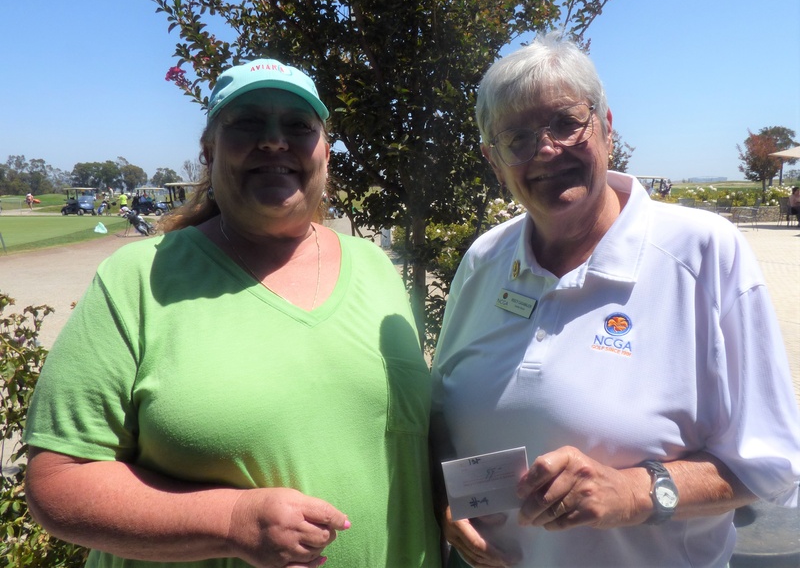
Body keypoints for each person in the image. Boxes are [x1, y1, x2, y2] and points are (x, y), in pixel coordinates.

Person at [24, 58, 441, 567]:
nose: (274, 141)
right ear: (209, 150)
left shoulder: (376, 269)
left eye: (298, 126)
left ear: (325, 152)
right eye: (247, 123)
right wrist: (230, 522)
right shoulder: (137, 278)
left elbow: (410, 446)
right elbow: (59, 481)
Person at [430, 32, 800, 568]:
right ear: (494, 160)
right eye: (517, 137)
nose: (546, 149)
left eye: (565, 122)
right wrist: (446, 499)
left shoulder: (703, 252)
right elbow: (444, 414)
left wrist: (633, 491)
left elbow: (771, 461)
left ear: (606, 125)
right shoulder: (484, 261)